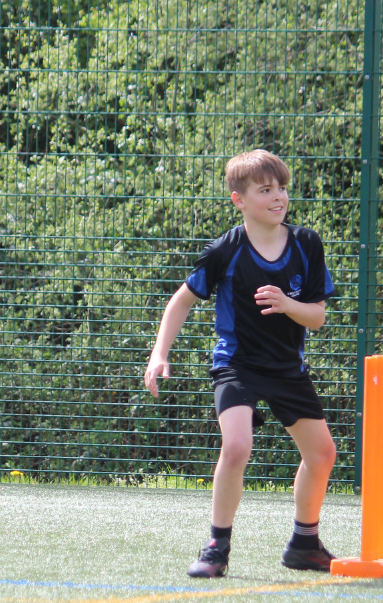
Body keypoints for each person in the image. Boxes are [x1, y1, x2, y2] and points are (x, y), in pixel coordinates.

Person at [144, 149, 337, 578]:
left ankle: (305, 543)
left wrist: (289, 304)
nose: (278, 197)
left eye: (282, 188)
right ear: (239, 200)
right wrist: (160, 354)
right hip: (237, 366)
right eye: (265, 190)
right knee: (236, 447)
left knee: (322, 454)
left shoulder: (307, 244)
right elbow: (181, 301)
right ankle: (216, 547)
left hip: (288, 368)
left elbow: (319, 318)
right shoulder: (225, 250)